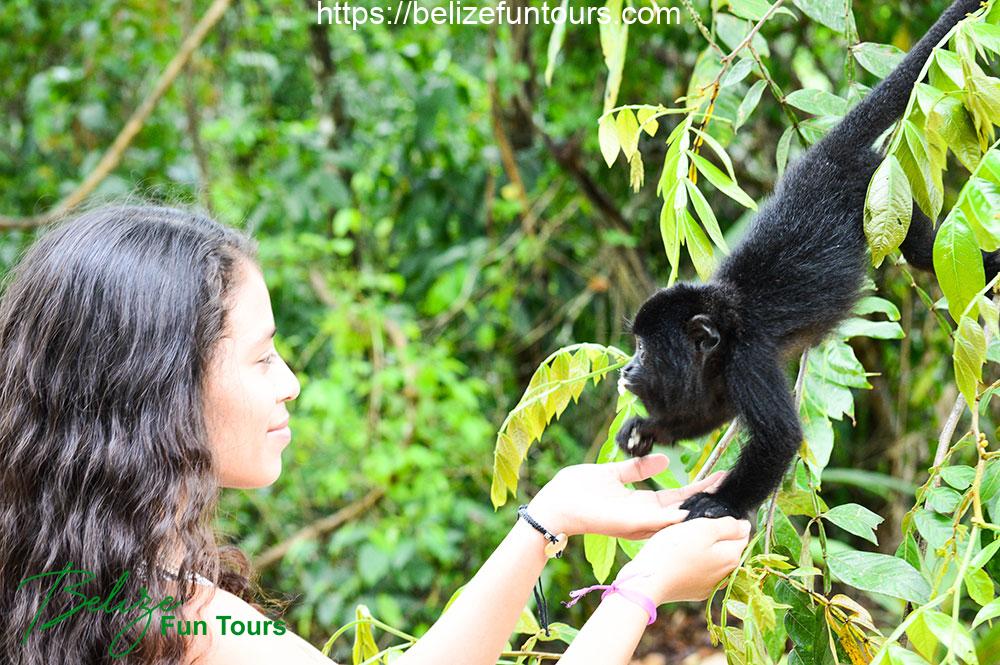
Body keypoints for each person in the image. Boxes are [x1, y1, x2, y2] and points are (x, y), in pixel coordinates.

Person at [0, 204, 750, 665]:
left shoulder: (87, 592)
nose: (290, 380)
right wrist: (641, 590)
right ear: (158, 393)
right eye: (262, 358)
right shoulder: (188, 623)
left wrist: (544, 520)